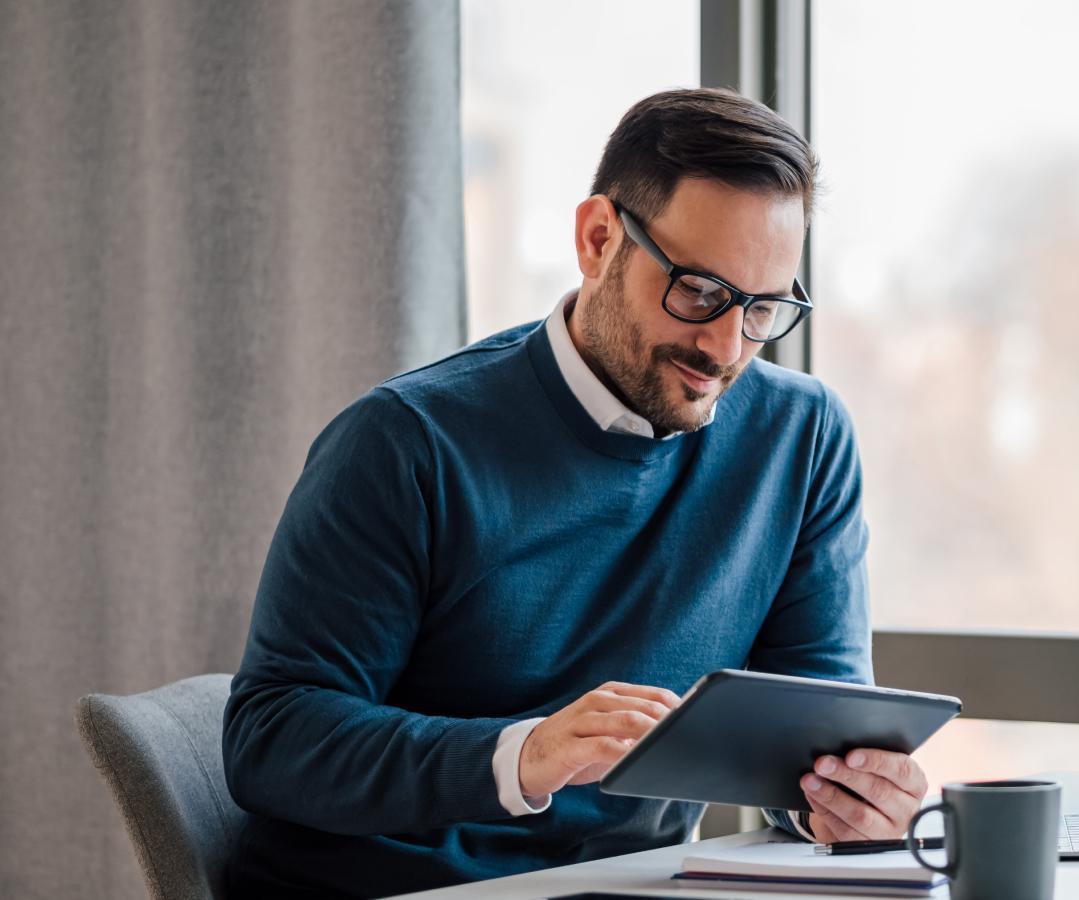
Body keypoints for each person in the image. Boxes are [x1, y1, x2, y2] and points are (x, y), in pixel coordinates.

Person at [222, 87, 928, 898]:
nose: (727, 346)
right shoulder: (405, 442)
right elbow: (271, 740)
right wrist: (522, 755)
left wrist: (846, 803)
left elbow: (814, 739)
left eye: (763, 308)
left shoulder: (801, 439)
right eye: (699, 292)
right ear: (598, 239)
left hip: (635, 887)